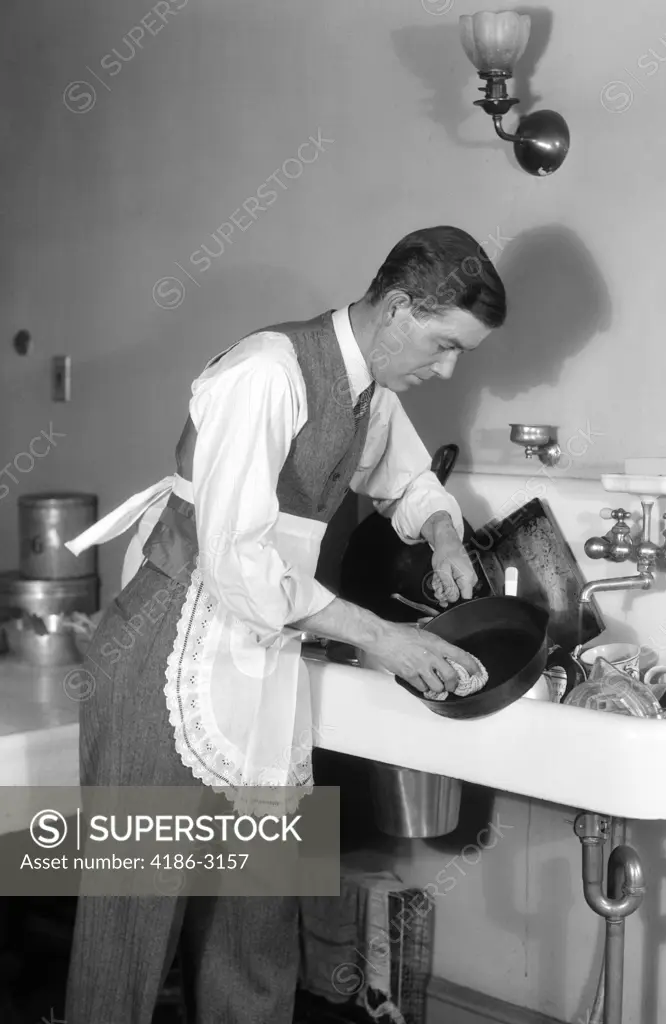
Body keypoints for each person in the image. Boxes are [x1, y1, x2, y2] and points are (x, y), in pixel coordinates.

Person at [63, 224, 507, 1022]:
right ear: (399, 307)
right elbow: (233, 560)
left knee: (257, 917)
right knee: (132, 919)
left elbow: (406, 481)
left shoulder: (372, 387)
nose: (444, 370)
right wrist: (382, 636)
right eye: (443, 345)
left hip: (264, 648)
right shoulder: (265, 373)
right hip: (169, 640)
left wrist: (442, 532)